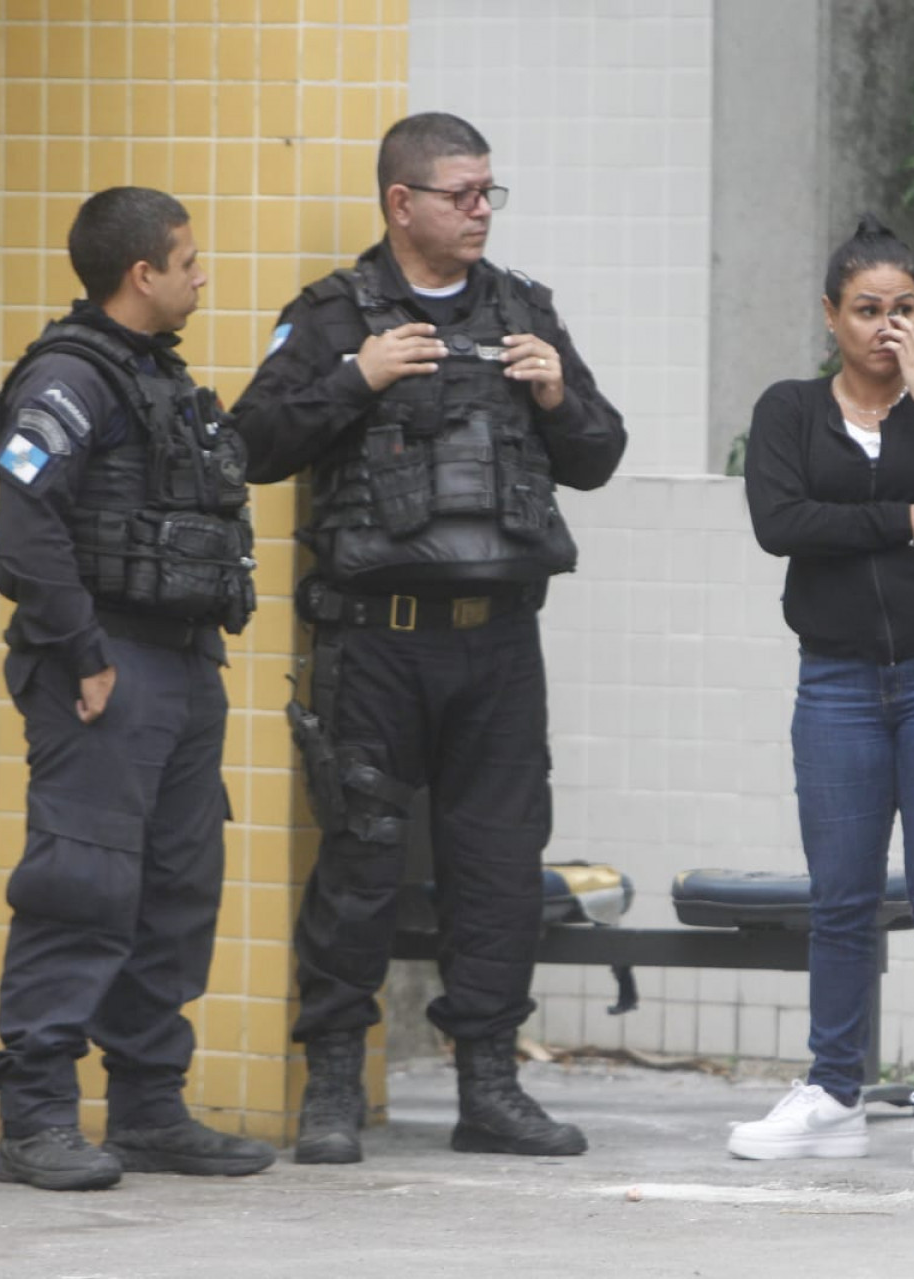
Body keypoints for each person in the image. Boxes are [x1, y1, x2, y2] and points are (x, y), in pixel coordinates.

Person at [230, 112, 625, 1164]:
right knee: (359, 862)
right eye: (462, 194)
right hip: (377, 642)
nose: (482, 210)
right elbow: (252, 444)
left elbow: (598, 454)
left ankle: (488, 1088)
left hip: (498, 646)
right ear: (402, 203)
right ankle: (328, 1089)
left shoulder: (523, 310)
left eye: (491, 191)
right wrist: (354, 378)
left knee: (498, 866)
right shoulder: (330, 316)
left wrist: (556, 393)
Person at [0, 187, 271, 1191]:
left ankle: (149, 1107)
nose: (202, 274)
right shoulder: (67, 378)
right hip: (107, 664)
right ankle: (37, 1118)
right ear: (139, 273)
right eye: (188, 260)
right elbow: (25, 528)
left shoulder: (160, 376)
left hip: (184, 662)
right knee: (83, 885)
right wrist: (84, 652)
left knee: (176, 890)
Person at [735, 215, 914, 1169]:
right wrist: (905, 516)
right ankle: (832, 1090)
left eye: (903, 311)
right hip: (839, 680)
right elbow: (781, 520)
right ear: (830, 316)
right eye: (867, 310)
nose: (886, 328)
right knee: (842, 898)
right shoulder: (789, 411)